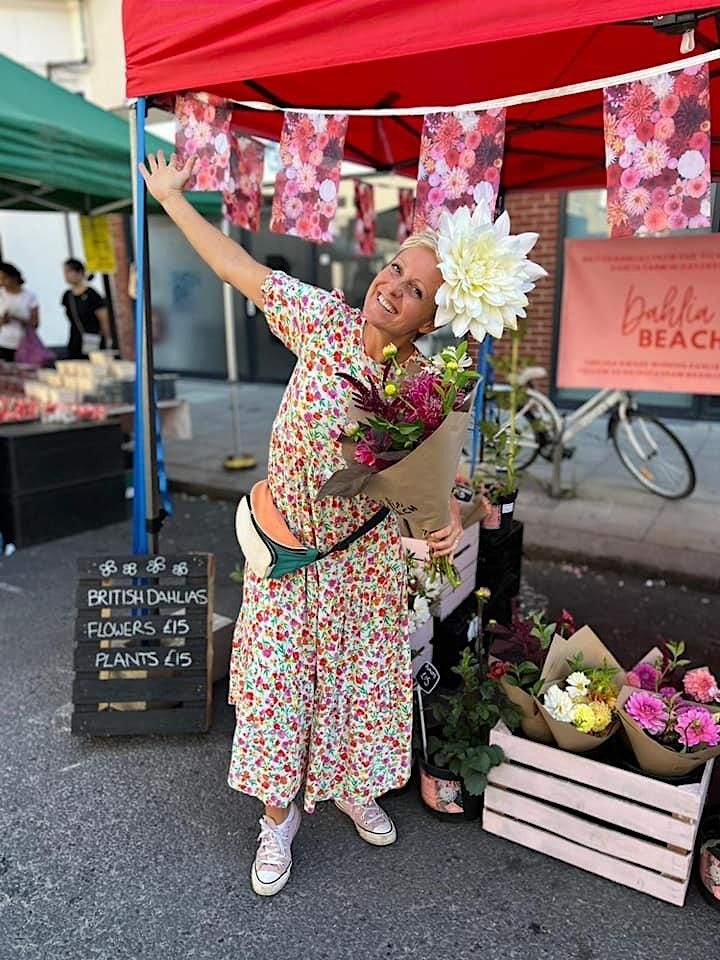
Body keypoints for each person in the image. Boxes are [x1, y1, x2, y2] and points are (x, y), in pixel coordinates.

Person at [139, 150, 463, 897]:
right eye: (393, 271)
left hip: (365, 563)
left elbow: (445, 484)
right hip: (289, 551)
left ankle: (354, 787)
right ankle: (276, 821)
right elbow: (234, 267)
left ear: (431, 316)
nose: (393, 289)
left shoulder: (424, 384)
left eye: (416, 290)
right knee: (279, 685)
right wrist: (172, 201)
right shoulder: (322, 321)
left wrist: (448, 516)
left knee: (359, 684)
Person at [61, 259, 112, 359]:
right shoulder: (67, 295)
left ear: (79, 272)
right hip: (75, 339)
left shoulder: (92, 294)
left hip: (92, 338)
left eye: (68, 271)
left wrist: (108, 338)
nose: (66, 275)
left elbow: (103, 318)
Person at [0, 262, 40, 362]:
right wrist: (3, 320)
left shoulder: (30, 296)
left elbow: (35, 323)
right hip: (5, 343)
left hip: (25, 343)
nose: (2, 282)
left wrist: (17, 318)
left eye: (4, 278)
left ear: (14, 277)